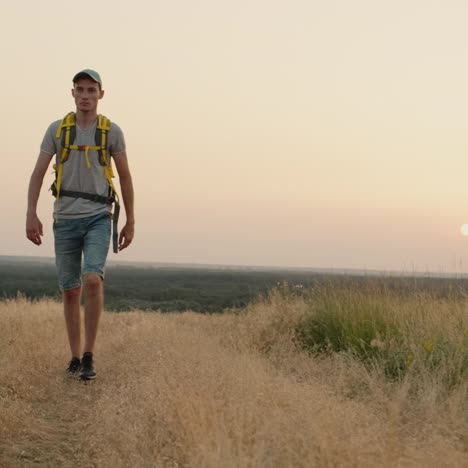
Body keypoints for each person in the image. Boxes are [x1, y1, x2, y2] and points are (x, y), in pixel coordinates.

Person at [26, 69, 135, 380]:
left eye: (91, 90)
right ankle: (74, 357)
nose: (85, 95)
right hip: (65, 218)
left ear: (101, 94)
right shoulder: (57, 130)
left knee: (92, 280)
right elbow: (37, 173)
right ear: (72, 93)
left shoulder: (111, 131)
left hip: (100, 215)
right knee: (70, 290)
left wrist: (130, 219)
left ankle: (89, 355)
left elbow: (125, 177)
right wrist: (31, 213)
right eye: (80, 90)